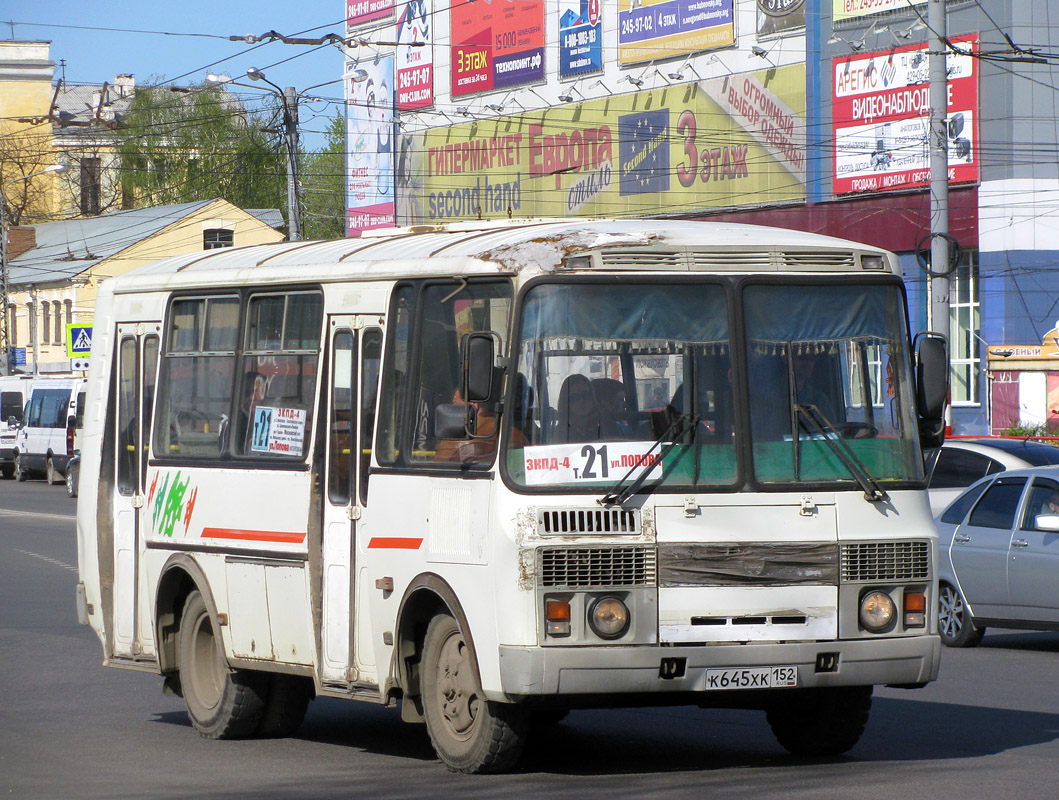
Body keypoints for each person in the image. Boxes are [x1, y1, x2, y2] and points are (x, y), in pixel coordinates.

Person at [556, 374, 600, 443]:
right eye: (575, 397)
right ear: (566, 401)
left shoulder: (603, 430)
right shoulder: (556, 435)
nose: (581, 401)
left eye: (586, 395)